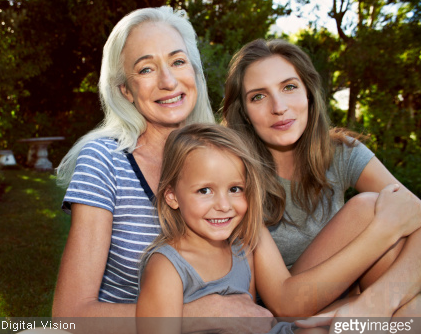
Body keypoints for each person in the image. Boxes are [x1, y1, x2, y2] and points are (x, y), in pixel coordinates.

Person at [52, 6, 273, 331]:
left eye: (178, 61)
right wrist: (198, 313)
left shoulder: (225, 156)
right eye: (145, 69)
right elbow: (68, 316)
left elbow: (243, 295)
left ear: (195, 72)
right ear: (125, 90)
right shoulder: (104, 159)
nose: (168, 81)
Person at [135, 123, 417, 334]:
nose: (223, 205)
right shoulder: (167, 265)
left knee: (401, 316)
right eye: (205, 190)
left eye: (235, 189)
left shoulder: (241, 245)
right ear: (171, 196)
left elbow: (262, 317)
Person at [222, 38, 421, 316]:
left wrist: (380, 300)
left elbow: (414, 212)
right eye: (259, 96)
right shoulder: (234, 175)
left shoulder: (342, 153)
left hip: (356, 305)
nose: (278, 107)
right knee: (370, 209)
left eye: (289, 87)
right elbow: (284, 305)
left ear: (309, 94)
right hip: (288, 308)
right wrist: (384, 230)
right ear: (243, 112)